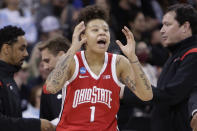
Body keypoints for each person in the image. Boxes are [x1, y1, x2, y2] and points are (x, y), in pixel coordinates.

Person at [44, 5, 153, 130]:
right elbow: (51, 88)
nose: (102, 33)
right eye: (95, 30)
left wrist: (133, 57)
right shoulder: (72, 61)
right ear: (83, 36)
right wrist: (73, 48)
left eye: (105, 30)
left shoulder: (118, 63)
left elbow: (147, 96)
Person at [122, 3, 197, 131]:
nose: (162, 30)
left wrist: (127, 92)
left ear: (185, 27)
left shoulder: (192, 55)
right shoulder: (176, 55)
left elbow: (169, 96)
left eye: (167, 25)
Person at [0, 25, 55, 131]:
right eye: (21, 48)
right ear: (6, 49)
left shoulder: (9, 79)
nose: (26, 54)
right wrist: (36, 124)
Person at [38, 36, 70, 121]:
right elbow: (45, 124)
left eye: (47, 61)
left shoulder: (88, 79)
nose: (45, 67)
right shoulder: (47, 88)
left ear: (61, 55)